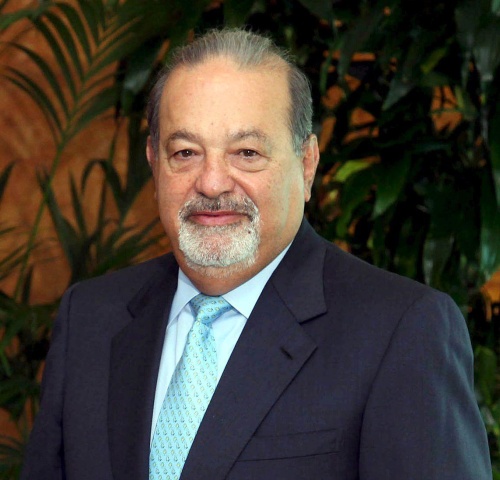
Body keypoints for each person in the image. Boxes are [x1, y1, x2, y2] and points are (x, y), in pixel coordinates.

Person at [22, 28, 491, 480]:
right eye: (185, 153)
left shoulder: (402, 330)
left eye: (246, 152)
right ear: (154, 164)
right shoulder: (90, 319)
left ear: (307, 165)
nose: (212, 183)